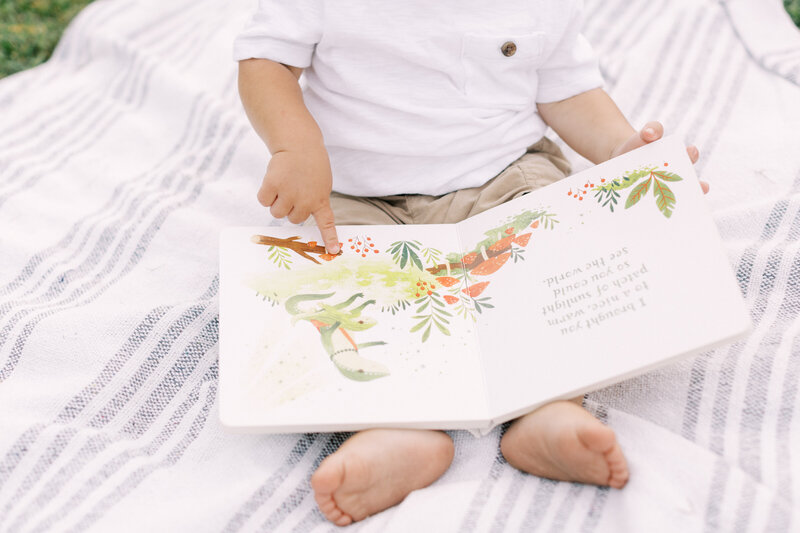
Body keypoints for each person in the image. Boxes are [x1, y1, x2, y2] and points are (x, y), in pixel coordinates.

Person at [234, 1, 707, 526]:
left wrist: (620, 152)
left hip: (501, 176)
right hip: (350, 194)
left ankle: (548, 406)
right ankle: (391, 427)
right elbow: (265, 60)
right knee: (330, 293)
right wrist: (294, 146)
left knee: (556, 262)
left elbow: (567, 88)